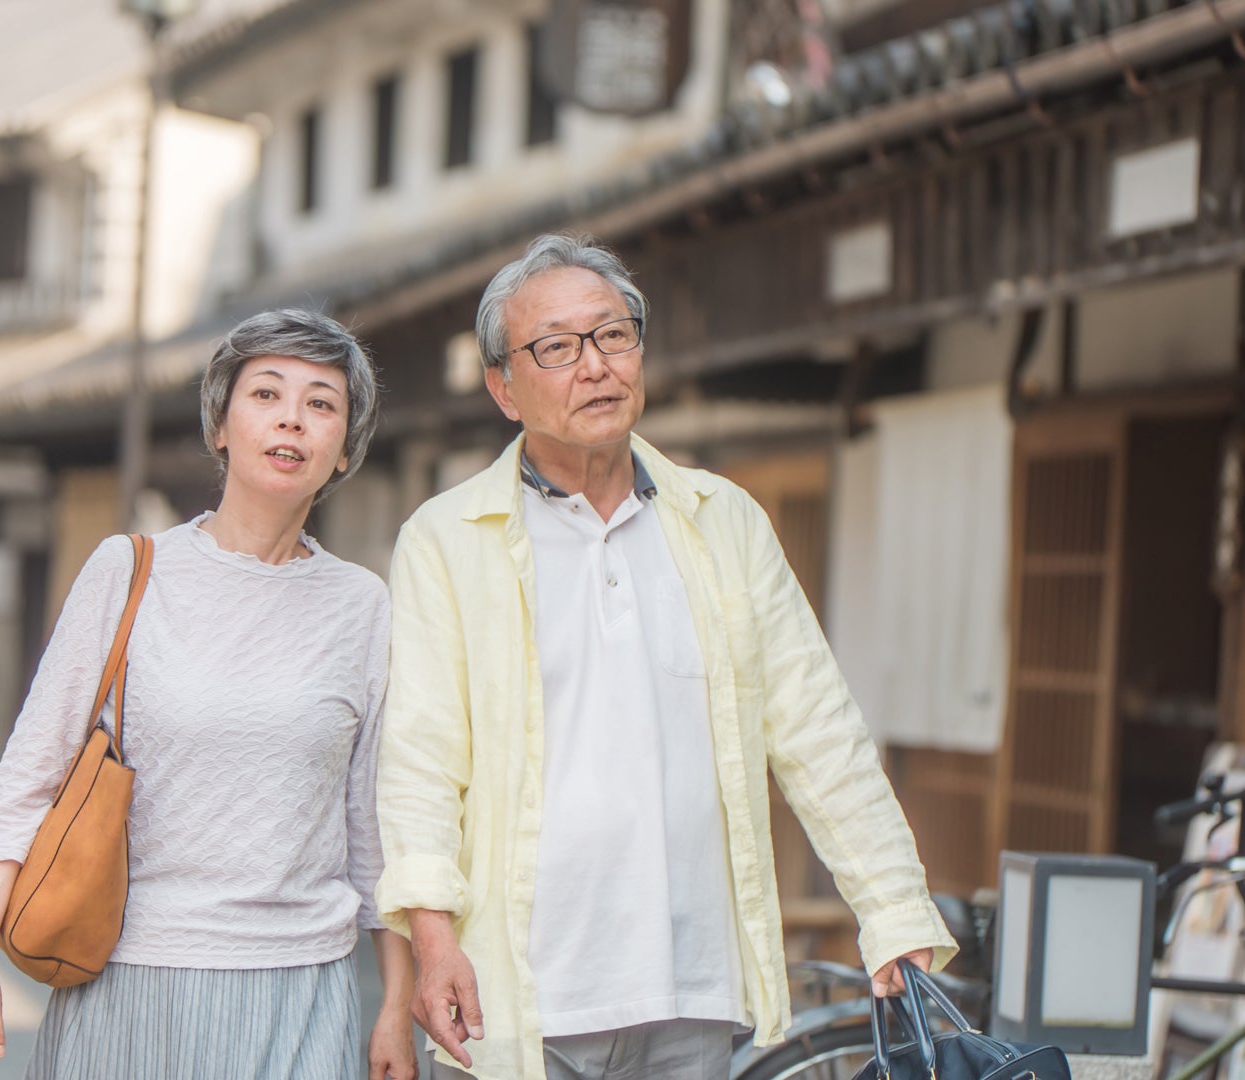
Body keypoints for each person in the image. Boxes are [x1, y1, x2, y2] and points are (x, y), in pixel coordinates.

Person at [375, 235, 957, 1080]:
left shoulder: (723, 520)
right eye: (558, 347)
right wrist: (432, 941)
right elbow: (421, 762)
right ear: (504, 386)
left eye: (614, 335)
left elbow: (818, 729)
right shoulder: (446, 538)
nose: (596, 366)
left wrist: (894, 910)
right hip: (524, 993)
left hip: (692, 988)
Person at [0, 309, 417, 1080]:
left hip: (301, 991)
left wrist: (395, 1005)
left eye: (322, 403)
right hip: (131, 983)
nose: (292, 418)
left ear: (343, 451)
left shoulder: (362, 605)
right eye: (266, 393)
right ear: (221, 425)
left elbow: (371, 828)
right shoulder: (129, 571)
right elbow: (26, 782)